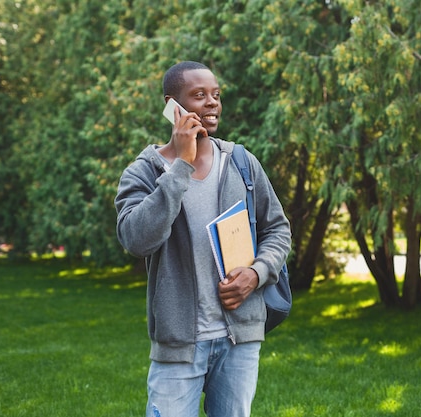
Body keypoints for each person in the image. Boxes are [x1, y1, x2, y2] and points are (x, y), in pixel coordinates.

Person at [114, 61, 291, 417]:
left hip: (239, 338)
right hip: (179, 344)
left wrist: (256, 274)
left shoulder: (240, 161)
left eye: (216, 95)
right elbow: (136, 239)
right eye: (199, 95)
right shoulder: (145, 171)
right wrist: (181, 164)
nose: (212, 103)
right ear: (172, 105)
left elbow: (278, 229)